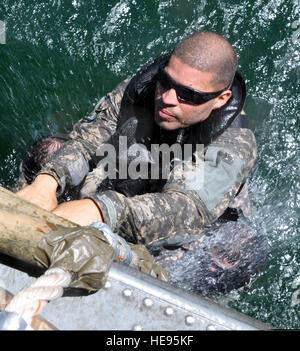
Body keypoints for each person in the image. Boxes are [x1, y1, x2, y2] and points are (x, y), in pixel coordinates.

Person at [16, 31, 268, 296]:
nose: (168, 98)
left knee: (244, 254)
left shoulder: (234, 142)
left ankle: (161, 296)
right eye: (166, 81)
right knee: (48, 151)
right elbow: (88, 138)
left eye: (188, 95)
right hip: (130, 182)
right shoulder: (142, 90)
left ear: (221, 99)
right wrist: (47, 182)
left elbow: (185, 208)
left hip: (185, 234)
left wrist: (101, 210)